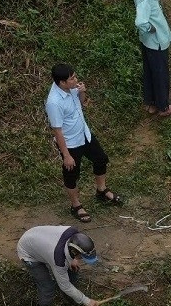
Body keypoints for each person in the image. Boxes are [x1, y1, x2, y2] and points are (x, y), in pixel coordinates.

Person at [45, 65, 121, 224]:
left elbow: (83, 103)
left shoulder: (71, 88)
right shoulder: (54, 102)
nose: (76, 80)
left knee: (101, 159)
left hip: (84, 134)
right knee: (72, 174)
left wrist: (82, 92)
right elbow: (57, 131)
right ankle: (76, 205)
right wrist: (66, 155)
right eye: (72, 78)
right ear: (62, 83)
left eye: (75, 76)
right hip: (70, 143)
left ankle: (101, 191)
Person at [15, 226, 105, 306]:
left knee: (72, 269)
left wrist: (74, 259)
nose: (82, 260)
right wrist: (87, 301)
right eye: (81, 257)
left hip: (37, 238)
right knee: (47, 287)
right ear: (73, 251)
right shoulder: (59, 260)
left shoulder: (73, 232)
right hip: (28, 252)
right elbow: (65, 286)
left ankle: (72, 300)